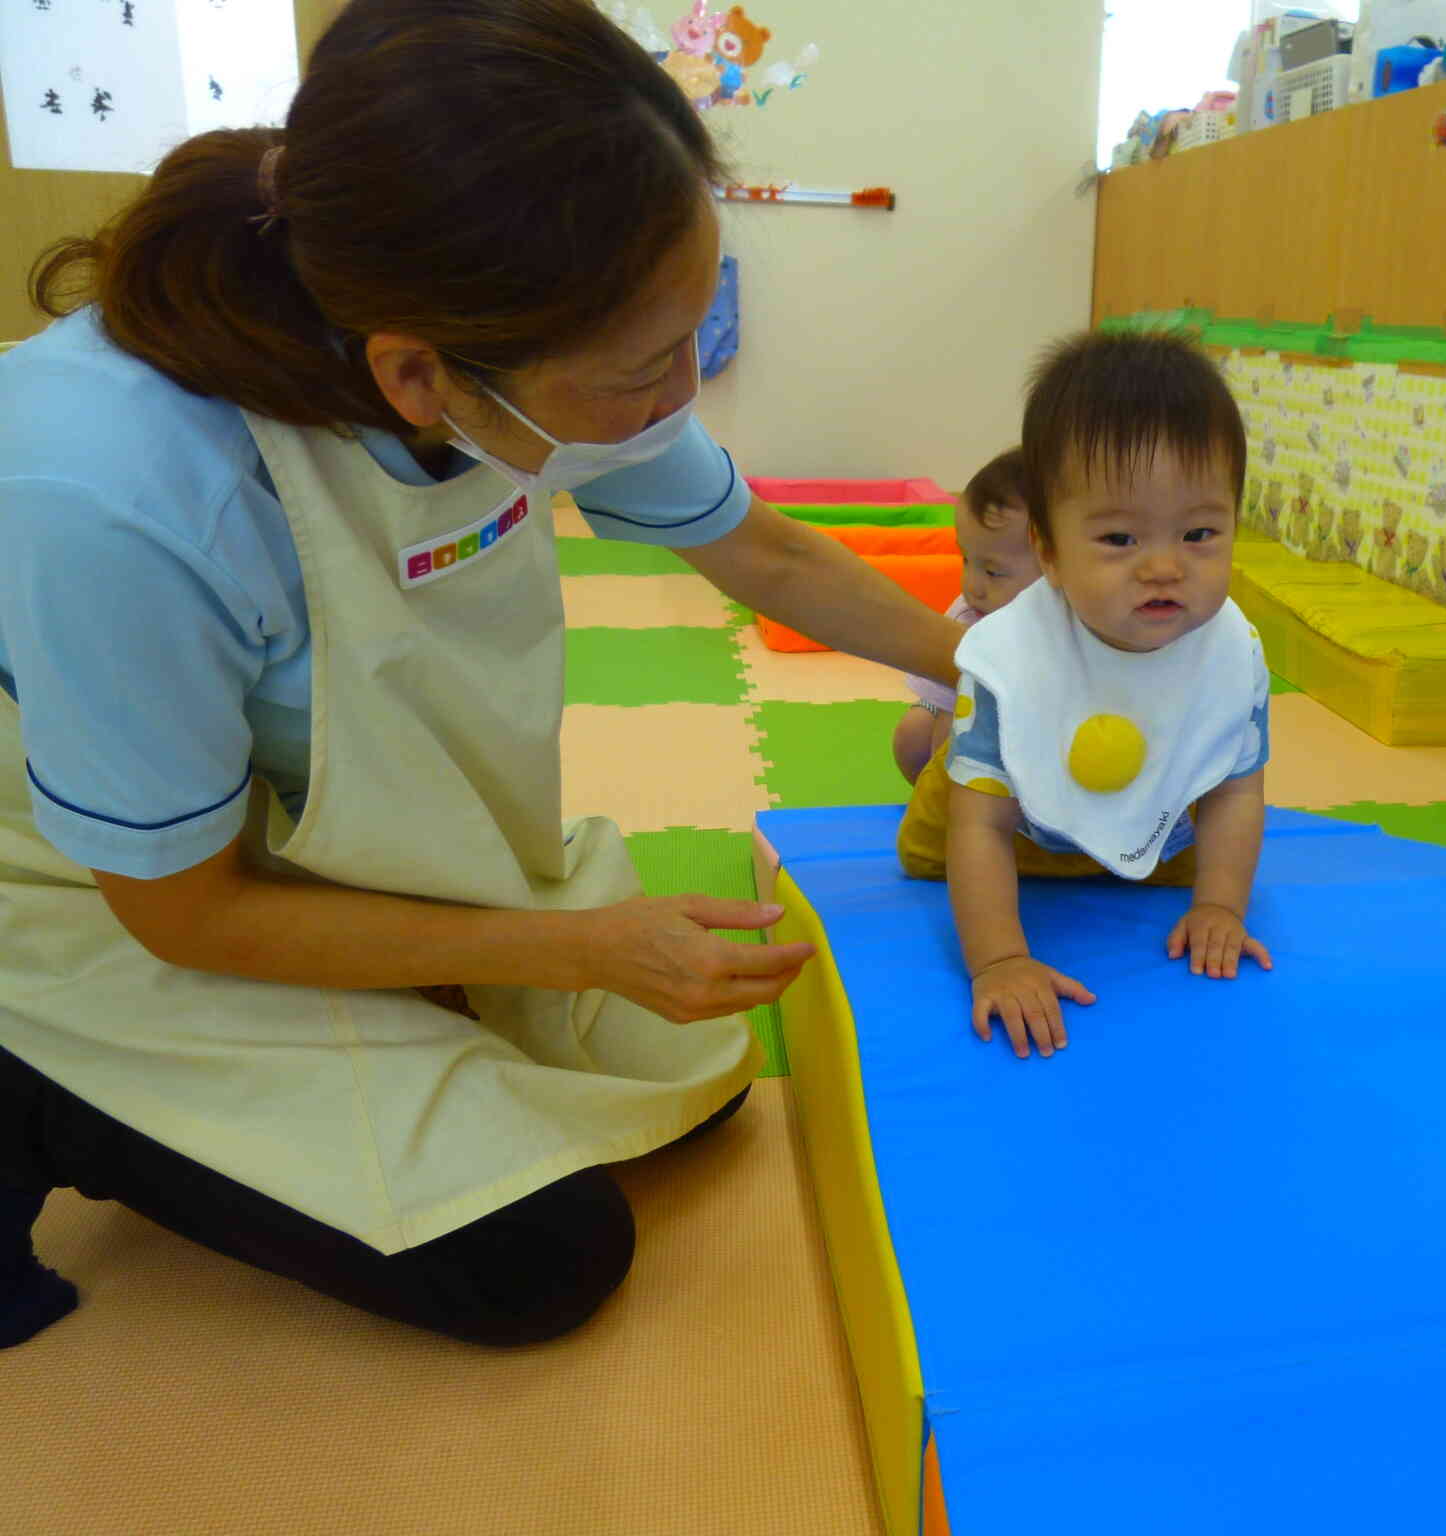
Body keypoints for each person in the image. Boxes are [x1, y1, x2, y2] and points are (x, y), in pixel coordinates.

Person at [0, 0, 963, 1351]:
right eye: (645, 370)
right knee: (538, 1260)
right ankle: (33, 1092)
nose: (679, 396)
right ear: (414, 374)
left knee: (693, 1077)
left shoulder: (518, 321)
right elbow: (182, 911)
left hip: (329, 834)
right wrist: (574, 946)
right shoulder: (120, 493)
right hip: (99, 896)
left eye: (693, 333)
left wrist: (1002, 669)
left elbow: (767, 555)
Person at [895, 332, 1274, 1062]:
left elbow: (1234, 789)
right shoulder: (1012, 657)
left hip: (1157, 847)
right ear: (1048, 552)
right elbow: (980, 827)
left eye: (1200, 533)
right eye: (1119, 539)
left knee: (1207, 843)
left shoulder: (1230, 649)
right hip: (1010, 842)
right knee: (934, 830)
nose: (1163, 567)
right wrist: (999, 959)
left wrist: (1220, 905)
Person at [891, 447, 1040, 784]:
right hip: (969, 724)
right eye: (965, 560)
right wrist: (947, 798)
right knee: (912, 734)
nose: (972, 586)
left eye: (993, 572)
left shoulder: (1085, 622)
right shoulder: (970, 618)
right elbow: (951, 721)